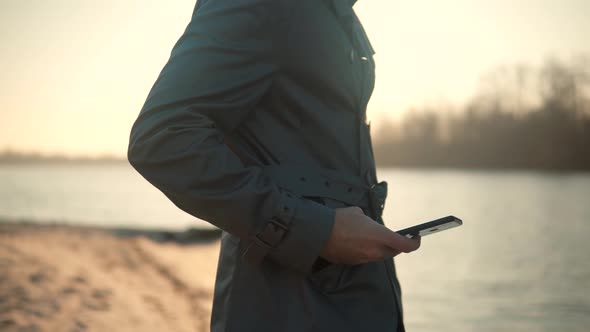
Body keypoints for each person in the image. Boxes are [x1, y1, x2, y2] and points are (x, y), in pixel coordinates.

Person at [127, 0, 422, 331]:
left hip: (362, 293)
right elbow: (162, 139)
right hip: (288, 301)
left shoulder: (339, 14)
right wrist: (316, 230)